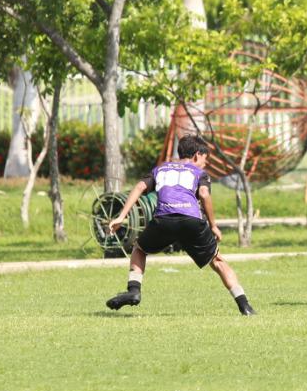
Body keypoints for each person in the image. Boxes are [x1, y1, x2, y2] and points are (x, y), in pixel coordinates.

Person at [104, 134, 255, 316]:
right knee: (217, 261)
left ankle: (134, 290)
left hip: (164, 220)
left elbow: (139, 187)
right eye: (205, 160)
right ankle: (245, 306)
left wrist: (121, 216)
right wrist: (213, 225)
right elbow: (205, 194)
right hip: (191, 221)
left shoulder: (161, 169)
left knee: (140, 249)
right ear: (197, 155)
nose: (205, 164)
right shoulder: (199, 173)